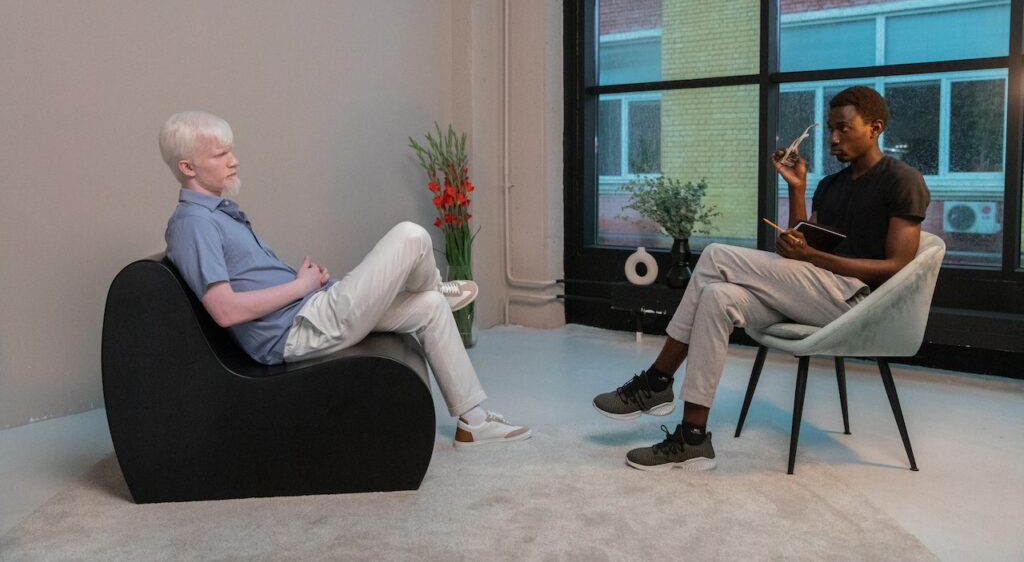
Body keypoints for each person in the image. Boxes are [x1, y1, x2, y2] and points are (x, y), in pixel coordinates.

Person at [593, 85, 930, 471]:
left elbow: (898, 266)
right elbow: (805, 243)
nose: (834, 139)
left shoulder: (902, 179)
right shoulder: (830, 185)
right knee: (718, 295)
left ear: (875, 127)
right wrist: (797, 189)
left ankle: (656, 381)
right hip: (816, 292)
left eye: (845, 129)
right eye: (830, 130)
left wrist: (813, 256)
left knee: (717, 255)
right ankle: (693, 438)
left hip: (858, 303)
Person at [159, 111, 530, 448]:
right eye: (220, 155)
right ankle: (432, 286)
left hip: (312, 308)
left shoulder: (218, 214)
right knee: (411, 235)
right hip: (300, 328)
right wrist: (301, 286)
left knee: (430, 309)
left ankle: (473, 422)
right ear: (188, 167)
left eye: (231, 151)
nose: (234, 160)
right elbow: (223, 310)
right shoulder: (194, 224)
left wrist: (307, 283)